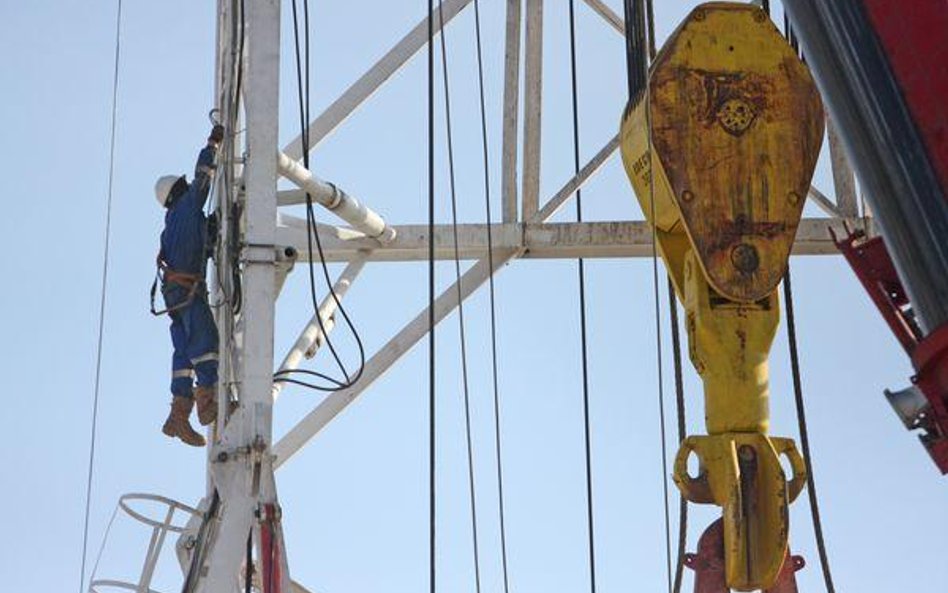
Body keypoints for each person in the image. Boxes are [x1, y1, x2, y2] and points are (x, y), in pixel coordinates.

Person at [153, 124, 225, 447]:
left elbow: (193, 246)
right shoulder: (188, 204)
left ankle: (178, 413)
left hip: (173, 294)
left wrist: (210, 232)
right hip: (186, 290)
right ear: (179, 190)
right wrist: (213, 144)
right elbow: (203, 176)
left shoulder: (170, 225)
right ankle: (206, 400)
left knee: (183, 351)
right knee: (206, 341)